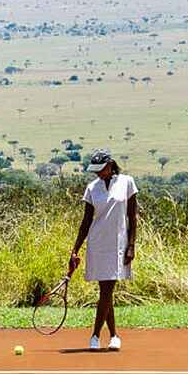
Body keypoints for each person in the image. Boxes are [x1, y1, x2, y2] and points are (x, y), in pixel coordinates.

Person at [69, 150, 138, 350]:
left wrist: (131, 245)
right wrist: (75, 250)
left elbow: (132, 218)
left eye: (102, 169)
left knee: (107, 290)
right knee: (105, 290)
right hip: (97, 244)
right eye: (96, 170)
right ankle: (114, 336)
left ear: (110, 165)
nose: (98, 173)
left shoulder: (127, 182)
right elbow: (86, 222)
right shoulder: (92, 188)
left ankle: (95, 335)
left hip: (118, 244)